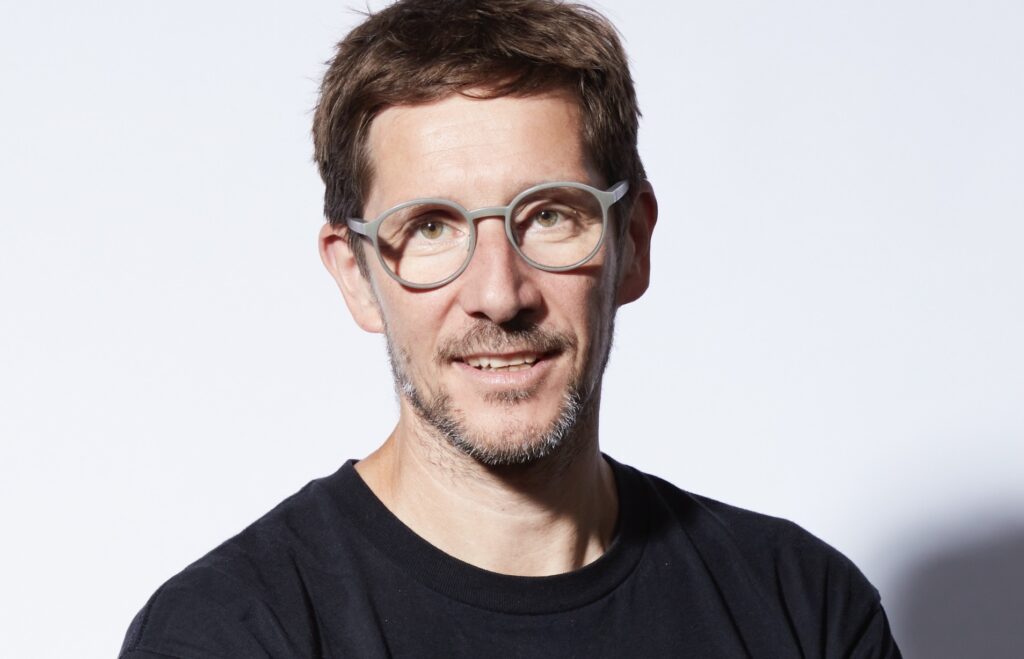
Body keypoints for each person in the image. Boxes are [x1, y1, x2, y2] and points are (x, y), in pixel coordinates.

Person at [120, 1, 901, 657]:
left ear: (632, 243)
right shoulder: (229, 633)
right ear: (356, 274)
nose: (499, 295)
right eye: (431, 227)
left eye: (551, 215)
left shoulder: (804, 610)